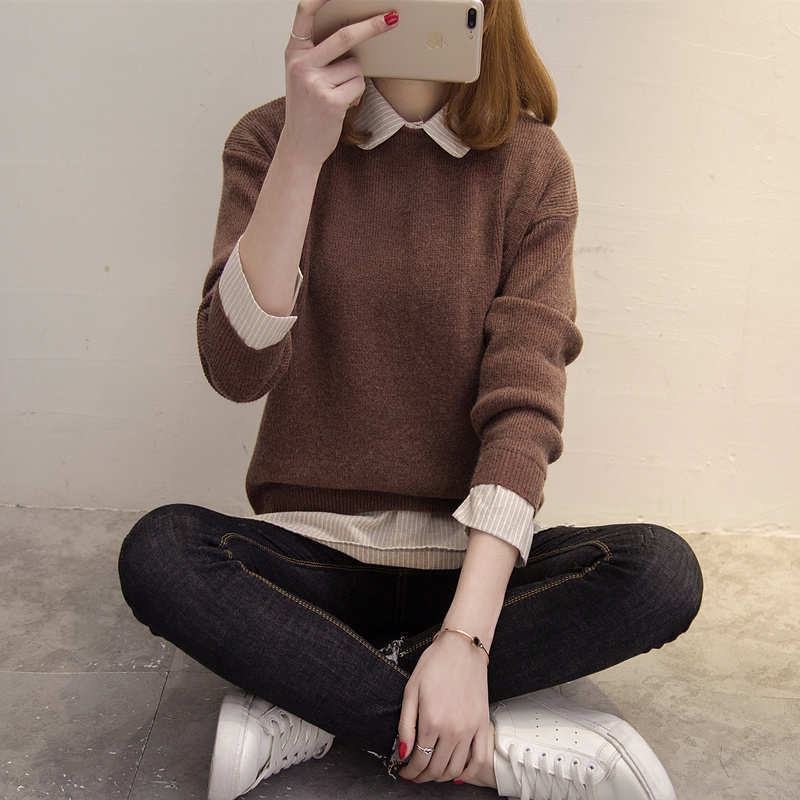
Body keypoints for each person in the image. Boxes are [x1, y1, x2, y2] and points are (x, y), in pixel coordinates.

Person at [118, 1, 704, 799]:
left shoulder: (532, 164)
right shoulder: (269, 140)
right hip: (314, 561)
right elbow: (236, 369)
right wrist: (303, 148)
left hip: (470, 566)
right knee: (161, 552)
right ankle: (483, 752)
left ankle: (320, 698)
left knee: (659, 572)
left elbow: (524, 407)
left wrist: (466, 637)